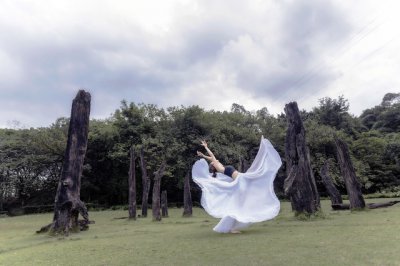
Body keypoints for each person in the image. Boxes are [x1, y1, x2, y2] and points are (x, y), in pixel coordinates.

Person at [192, 136, 282, 234]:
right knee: (257, 174)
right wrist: (206, 147)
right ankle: (233, 226)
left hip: (241, 178)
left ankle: (238, 220)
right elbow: (212, 156)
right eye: (214, 161)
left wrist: (203, 156)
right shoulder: (217, 165)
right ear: (213, 164)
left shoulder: (219, 165)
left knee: (255, 179)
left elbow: (211, 158)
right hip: (240, 180)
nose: (216, 160)